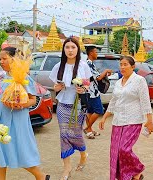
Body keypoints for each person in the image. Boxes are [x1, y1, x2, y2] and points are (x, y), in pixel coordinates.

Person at [0, 47, 50, 180]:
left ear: (14, 59)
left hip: (17, 119)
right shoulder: (0, 77)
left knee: (21, 150)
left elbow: (33, 100)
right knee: (0, 151)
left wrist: (21, 104)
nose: (1, 61)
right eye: (0, 59)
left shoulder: (22, 77)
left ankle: (41, 177)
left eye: (4, 58)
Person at [99, 56, 153, 180]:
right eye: (121, 64)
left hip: (133, 120)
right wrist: (105, 117)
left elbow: (145, 101)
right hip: (118, 121)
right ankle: (129, 176)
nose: (122, 67)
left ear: (133, 66)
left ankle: (137, 169)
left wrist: (149, 120)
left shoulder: (139, 80)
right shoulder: (119, 82)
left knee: (124, 149)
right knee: (115, 152)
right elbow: (114, 101)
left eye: (125, 64)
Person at [49, 37, 92, 180]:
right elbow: (55, 86)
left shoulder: (83, 65)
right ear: (63, 49)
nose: (70, 50)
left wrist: (83, 89)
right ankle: (67, 168)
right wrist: (57, 87)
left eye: (73, 47)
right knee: (64, 134)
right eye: (67, 47)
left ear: (78, 49)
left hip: (78, 105)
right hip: (62, 104)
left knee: (76, 133)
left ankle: (83, 154)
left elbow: (87, 84)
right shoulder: (58, 66)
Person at [84, 46, 112, 139]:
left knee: (90, 111)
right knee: (99, 110)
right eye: (96, 52)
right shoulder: (89, 63)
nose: (97, 54)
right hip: (92, 91)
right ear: (91, 53)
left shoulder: (89, 63)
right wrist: (106, 71)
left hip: (90, 91)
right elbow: (98, 77)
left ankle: (90, 130)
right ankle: (88, 128)